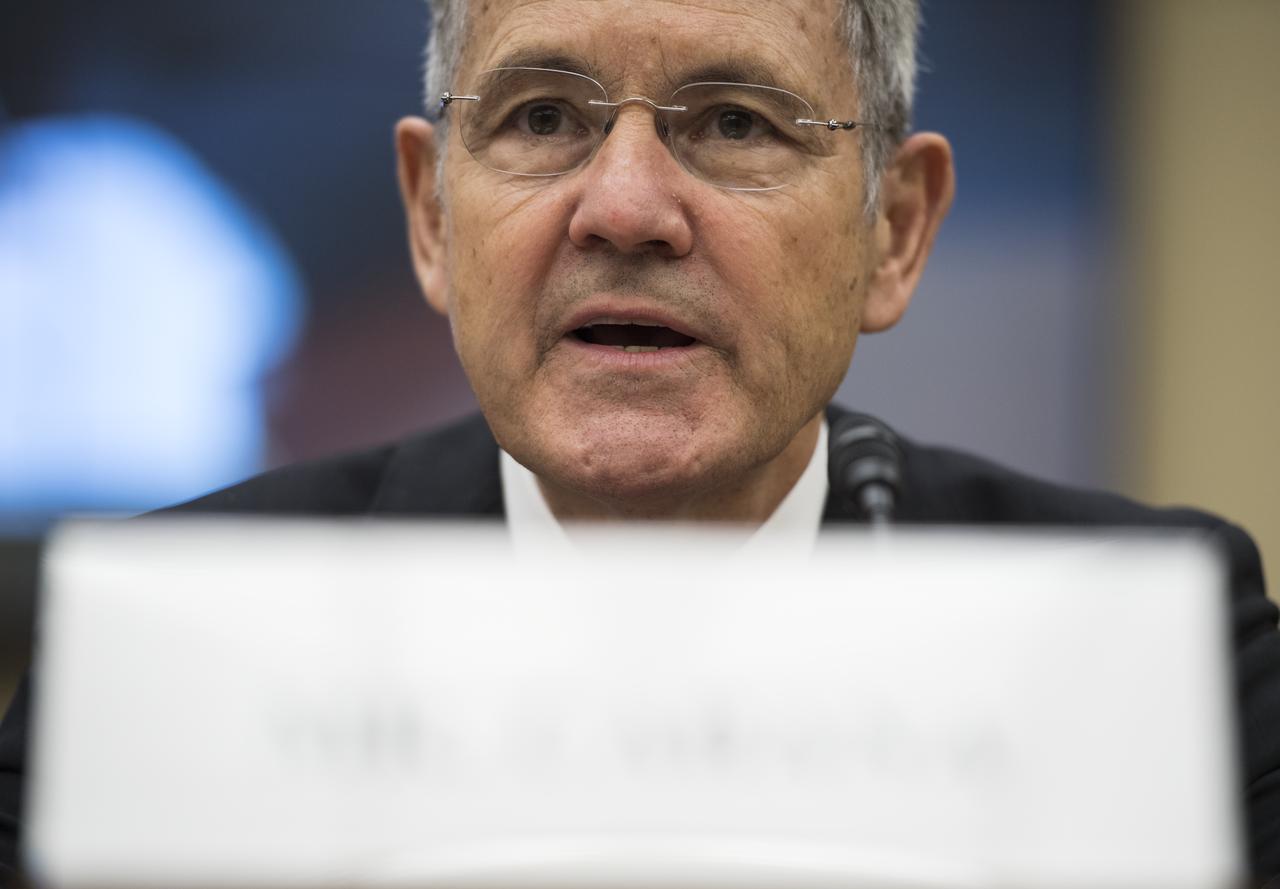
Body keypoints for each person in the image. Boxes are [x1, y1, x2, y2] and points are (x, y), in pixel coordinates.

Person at [2, 0, 1278, 882]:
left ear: (893, 231)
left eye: (733, 122)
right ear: (431, 218)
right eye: (543, 118)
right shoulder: (165, 634)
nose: (622, 208)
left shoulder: (1151, 641)